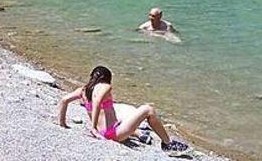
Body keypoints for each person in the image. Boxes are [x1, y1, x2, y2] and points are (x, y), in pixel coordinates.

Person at [57, 66, 190, 155]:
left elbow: (64, 101)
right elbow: (97, 102)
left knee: (119, 115)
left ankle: (138, 134)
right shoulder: (105, 86)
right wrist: (93, 129)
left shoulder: (82, 90)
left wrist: (62, 124)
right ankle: (167, 143)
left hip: (110, 129)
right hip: (112, 133)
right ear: (107, 78)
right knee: (148, 109)